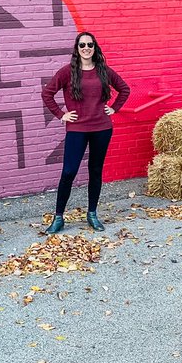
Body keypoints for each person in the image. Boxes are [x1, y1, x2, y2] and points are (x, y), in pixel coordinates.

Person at [41, 32, 131, 233]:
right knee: (69, 171)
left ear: (95, 47)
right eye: (82, 45)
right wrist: (60, 114)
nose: (86, 48)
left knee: (95, 171)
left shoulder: (103, 71)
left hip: (102, 128)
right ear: (77, 48)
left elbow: (124, 89)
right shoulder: (67, 72)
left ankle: (92, 214)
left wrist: (114, 108)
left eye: (90, 44)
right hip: (77, 129)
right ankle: (58, 217)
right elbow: (47, 93)